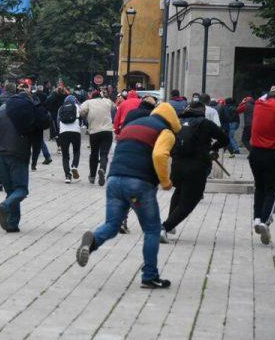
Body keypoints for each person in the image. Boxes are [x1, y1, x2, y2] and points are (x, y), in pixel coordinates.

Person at [75, 102, 181, 289]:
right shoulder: (166, 131)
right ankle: (150, 276)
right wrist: (166, 182)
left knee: (112, 224)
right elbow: (159, 155)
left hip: (114, 179)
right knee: (152, 230)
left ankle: (92, 243)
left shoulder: (133, 125)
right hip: (139, 183)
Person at [160, 101, 228, 242]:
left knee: (179, 191)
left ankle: (170, 223)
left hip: (177, 166)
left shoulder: (178, 121)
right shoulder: (205, 123)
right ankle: (164, 228)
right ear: (202, 111)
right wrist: (213, 147)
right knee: (190, 201)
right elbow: (224, 139)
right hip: (196, 167)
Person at [0, 87, 50, 232]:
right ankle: (5, 206)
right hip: (17, 151)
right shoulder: (27, 110)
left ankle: (13, 224)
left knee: (10, 190)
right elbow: (43, 122)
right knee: (21, 189)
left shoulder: (1, 108)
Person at [248, 86, 275, 245]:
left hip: (254, 153)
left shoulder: (259, 105)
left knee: (259, 186)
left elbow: (262, 97)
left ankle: (256, 218)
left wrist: (270, 92)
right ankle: (264, 220)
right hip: (272, 154)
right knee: (271, 190)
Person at [79, 88, 114, 186]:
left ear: (91, 96)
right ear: (100, 96)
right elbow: (113, 107)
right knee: (104, 153)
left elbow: (81, 112)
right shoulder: (107, 101)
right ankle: (102, 168)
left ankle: (92, 176)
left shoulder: (88, 102)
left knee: (94, 154)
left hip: (94, 131)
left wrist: (86, 117)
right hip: (107, 131)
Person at [58, 95, 81, 183]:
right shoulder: (77, 107)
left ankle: (67, 176)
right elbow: (83, 119)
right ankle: (74, 165)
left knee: (65, 155)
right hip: (75, 132)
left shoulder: (61, 108)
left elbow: (58, 120)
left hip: (63, 132)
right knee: (76, 151)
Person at [31, 85, 53, 170]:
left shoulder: (28, 107)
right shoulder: (41, 107)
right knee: (39, 144)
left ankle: (46, 157)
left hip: (29, 129)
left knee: (29, 144)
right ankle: (37, 162)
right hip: (39, 129)